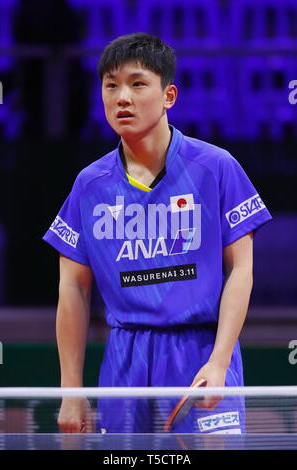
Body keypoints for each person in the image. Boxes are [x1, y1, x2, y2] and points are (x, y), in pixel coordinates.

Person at [43, 33, 272, 435]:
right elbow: (72, 290)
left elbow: (241, 270)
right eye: (111, 85)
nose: (122, 97)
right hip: (124, 358)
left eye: (137, 83)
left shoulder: (216, 167)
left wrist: (219, 361)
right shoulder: (89, 184)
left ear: (169, 96)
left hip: (201, 351)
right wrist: (71, 390)